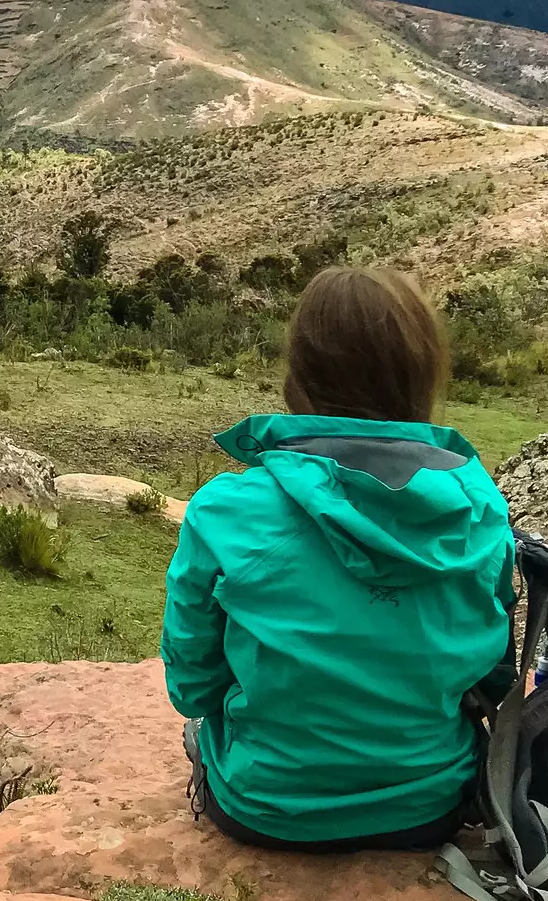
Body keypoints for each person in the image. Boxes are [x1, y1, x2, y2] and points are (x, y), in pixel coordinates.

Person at [161, 266, 514, 851]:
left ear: (300, 371)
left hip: (265, 807)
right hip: (430, 805)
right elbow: (487, 671)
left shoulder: (228, 509)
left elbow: (193, 690)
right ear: (420, 371)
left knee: (202, 731)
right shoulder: (478, 508)